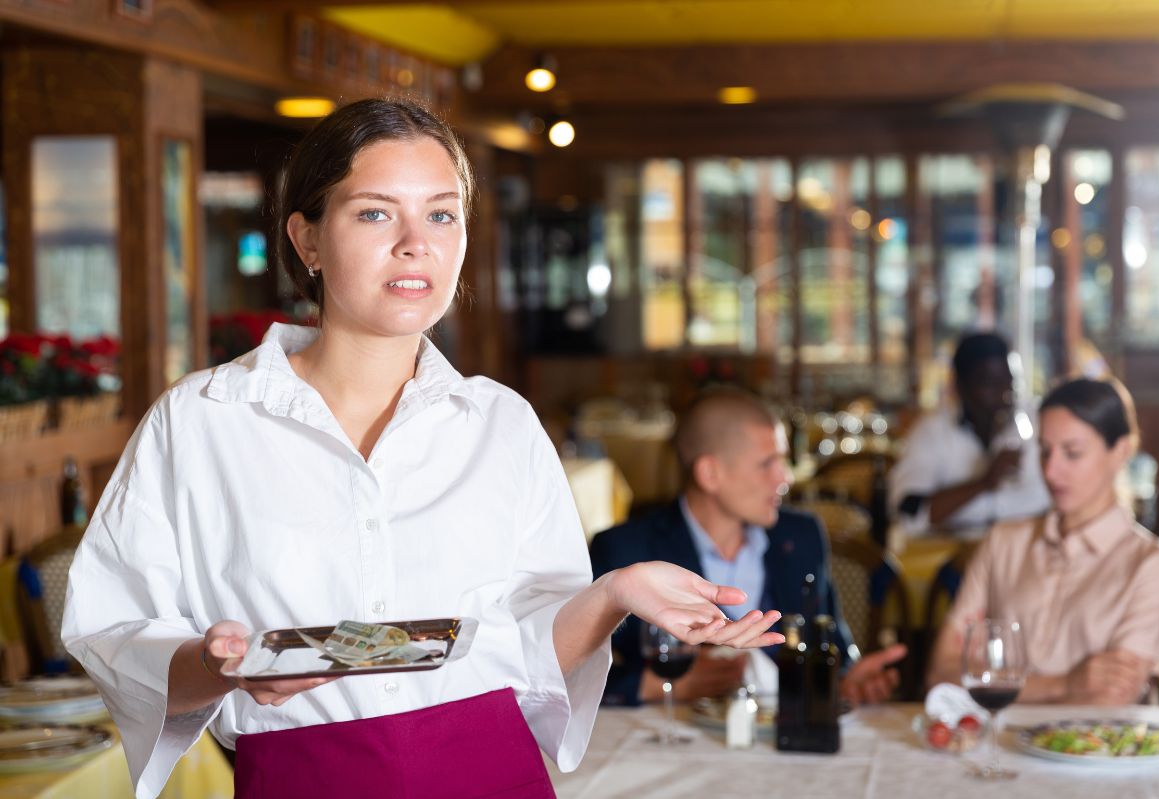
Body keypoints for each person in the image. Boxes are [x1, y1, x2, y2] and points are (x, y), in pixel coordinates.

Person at [60, 99, 782, 799]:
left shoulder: (501, 423)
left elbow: (528, 658)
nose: (417, 242)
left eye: (441, 213)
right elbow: (112, 633)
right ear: (307, 239)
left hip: (493, 774)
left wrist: (614, 593)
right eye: (375, 212)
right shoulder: (201, 421)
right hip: (303, 780)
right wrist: (217, 666)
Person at [590, 388, 907, 707]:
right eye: (768, 463)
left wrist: (847, 681)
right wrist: (652, 686)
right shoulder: (625, 550)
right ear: (710, 473)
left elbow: (833, 645)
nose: (784, 478)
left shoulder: (801, 536)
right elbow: (564, 674)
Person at [927, 378, 1159, 704]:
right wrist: (1066, 685)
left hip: (1090, 751)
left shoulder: (1150, 565)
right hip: (994, 746)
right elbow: (941, 674)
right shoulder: (1003, 542)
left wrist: (991, 681)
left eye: (1072, 453)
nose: (1050, 470)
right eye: (1044, 452)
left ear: (1121, 451)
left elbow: (1108, 697)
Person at [889, 332, 1050, 538]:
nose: (1003, 394)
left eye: (1008, 383)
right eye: (990, 384)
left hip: (1028, 549)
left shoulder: (1036, 422)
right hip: (954, 557)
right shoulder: (932, 432)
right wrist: (984, 482)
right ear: (960, 387)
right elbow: (910, 512)